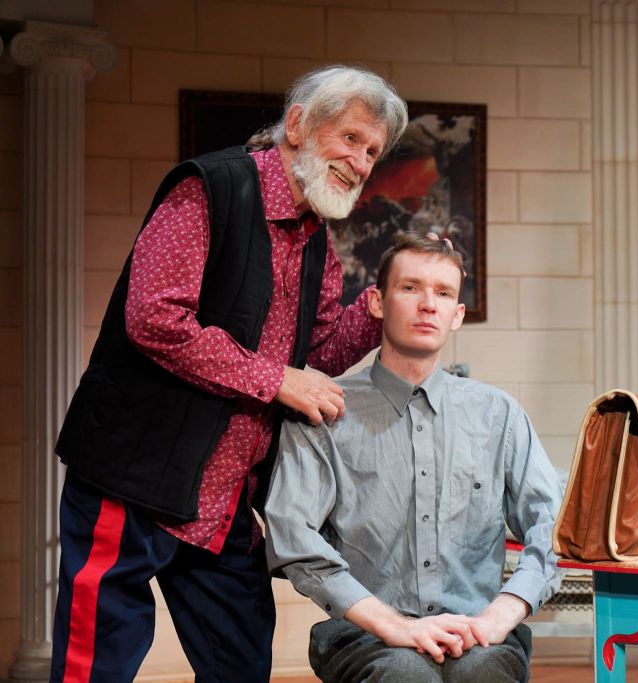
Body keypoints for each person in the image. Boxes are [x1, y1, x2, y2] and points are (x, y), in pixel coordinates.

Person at [49, 66, 408, 683]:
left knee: (241, 663)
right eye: (350, 138)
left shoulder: (317, 237)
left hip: (223, 502)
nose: (360, 162)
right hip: (132, 478)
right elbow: (154, 318)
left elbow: (314, 355)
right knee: (94, 668)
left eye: (372, 152)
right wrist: (276, 380)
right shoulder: (210, 189)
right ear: (297, 125)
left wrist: (377, 312)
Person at [263, 233, 565, 682]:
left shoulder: (498, 415)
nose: (428, 305)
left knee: (482, 674)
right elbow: (292, 534)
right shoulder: (324, 410)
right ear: (377, 303)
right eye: (410, 288)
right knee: (405, 675)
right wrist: (394, 625)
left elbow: (554, 527)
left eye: (443, 293)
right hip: (366, 635)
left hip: (477, 632)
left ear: (457, 314)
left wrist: (502, 612)